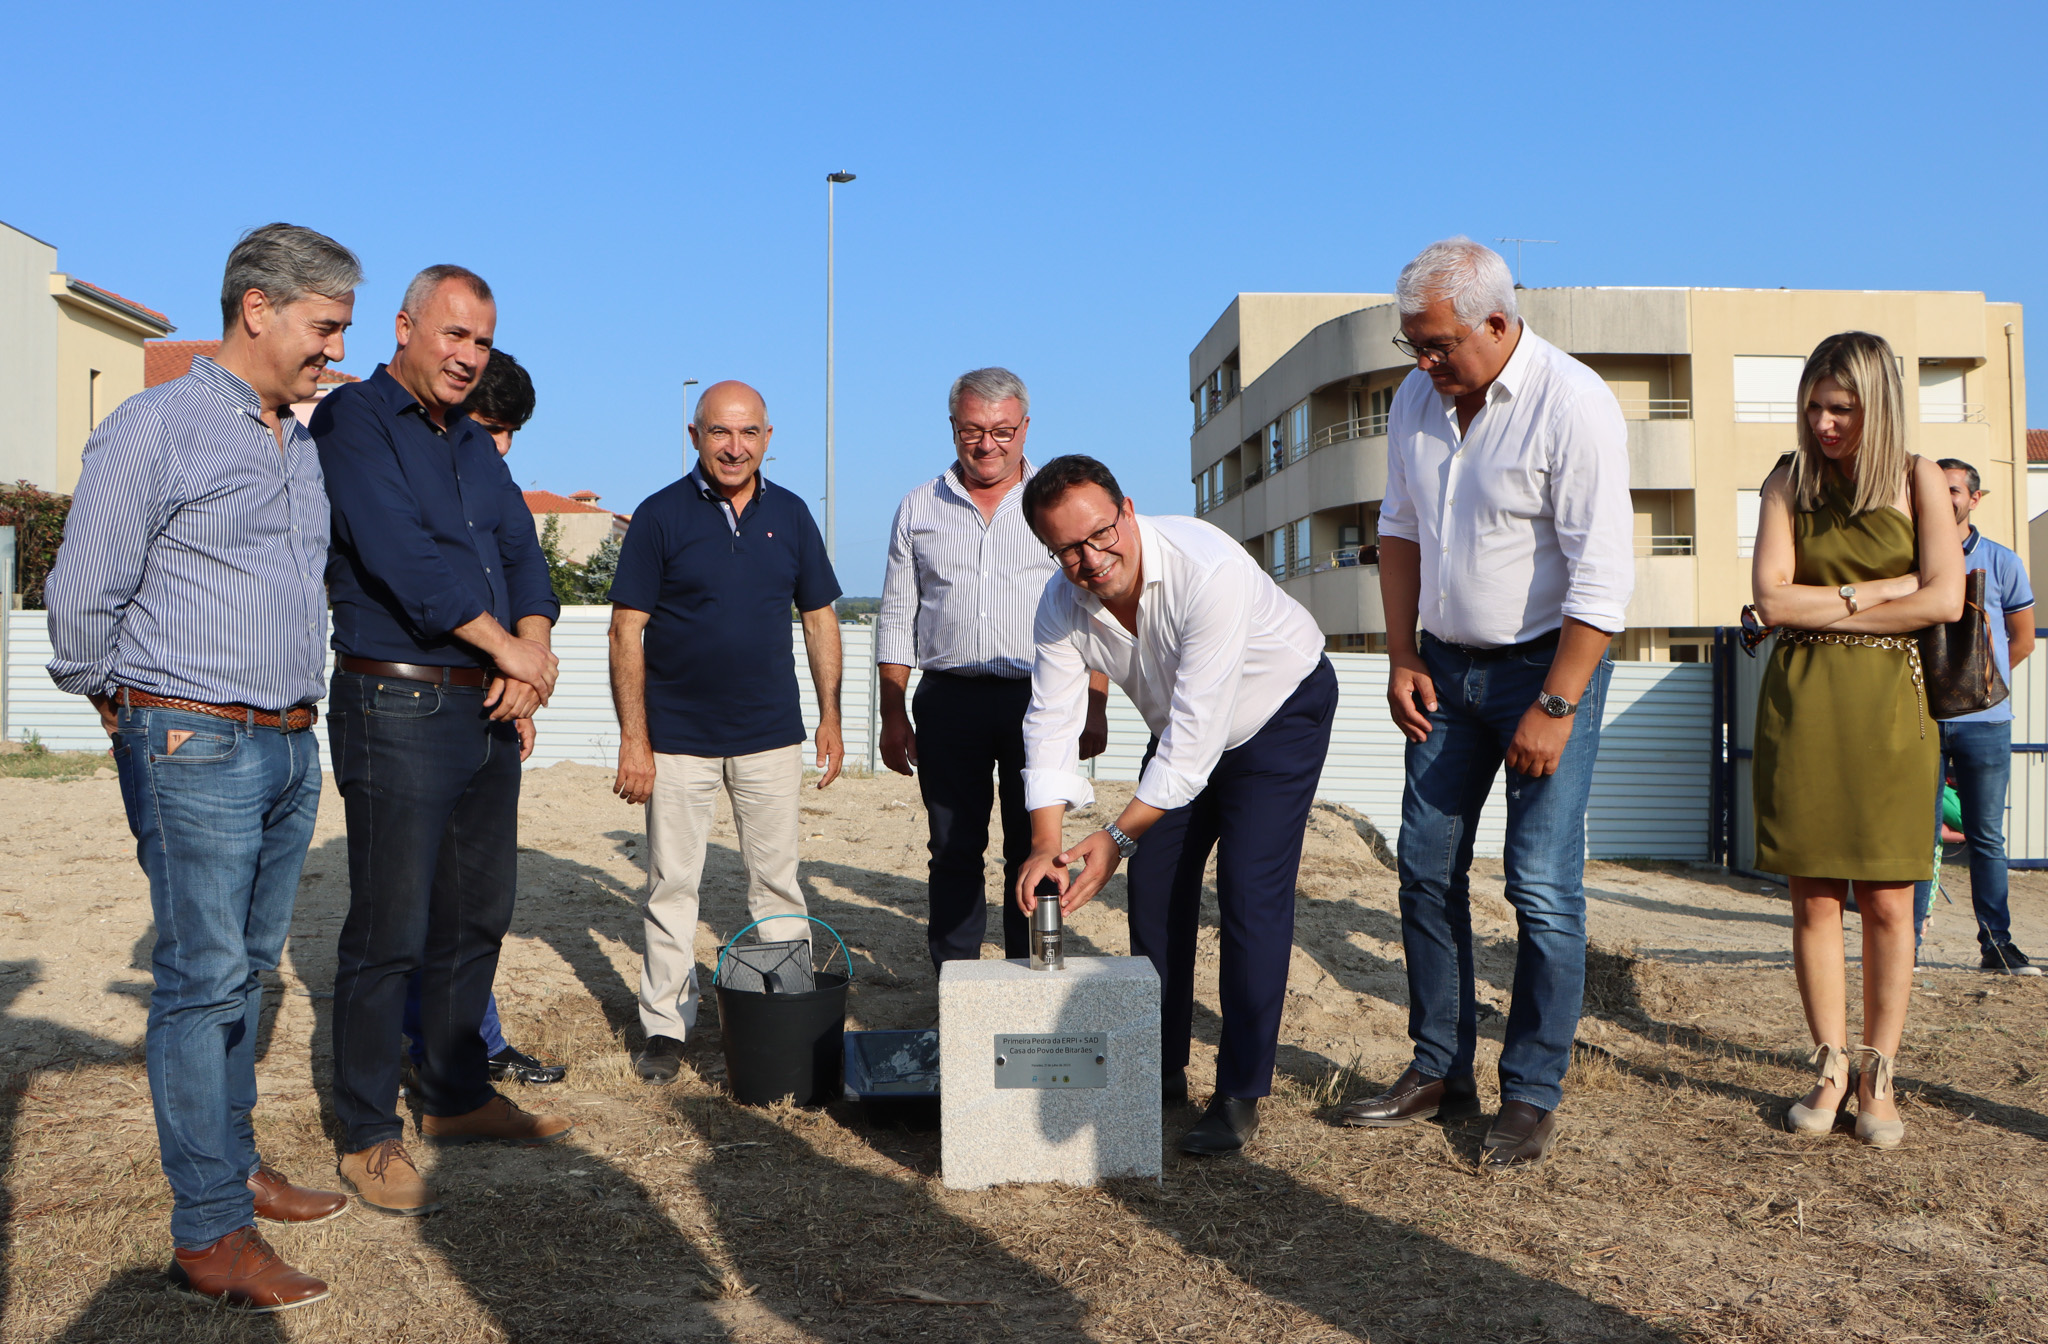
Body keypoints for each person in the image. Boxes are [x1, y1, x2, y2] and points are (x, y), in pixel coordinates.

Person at [44, 223, 361, 1311]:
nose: (332, 350)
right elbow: (81, 599)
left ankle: (237, 1167)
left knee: (246, 971)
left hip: (286, 741)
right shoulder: (156, 428)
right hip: (193, 734)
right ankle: (209, 1231)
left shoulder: (299, 440)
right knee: (199, 983)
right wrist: (129, 713)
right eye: (324, 328)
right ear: (258, 308)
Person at [1337, 238, 1633, 1172]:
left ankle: (1532, 1092)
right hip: (1443, 670)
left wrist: (1555, 703)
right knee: (1425, 867)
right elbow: (1397, 530)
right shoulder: (1416, 400)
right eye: (1412, 346)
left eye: (1438, 346)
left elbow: (1601, 578)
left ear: (1499, 323)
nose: (1423, 365)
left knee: (1541, 887)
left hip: (1547, 669)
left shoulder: (1574, 404)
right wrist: (1398, 653)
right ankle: (1439, 1068)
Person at [314, 264, 574, 1218]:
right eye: (454, 336)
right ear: (406, 327)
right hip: (398, 703)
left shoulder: (475, 444)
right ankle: (366, 1128)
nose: (469, 357)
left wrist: (529, 650)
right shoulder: (353, 424)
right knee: (390, 931)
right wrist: (507, 644)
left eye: (483, 342)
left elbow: (520, 554)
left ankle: (455, 1095)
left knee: (478, 915)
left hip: (489, 706)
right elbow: (401, 559)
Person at [1014, 455, 1338, 1156]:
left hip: (1277, 713)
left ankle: (1239, 1092)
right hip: (1181, 733)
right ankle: (1156, 1065)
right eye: (1067, 549)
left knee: (1251, 893)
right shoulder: (1059, 604)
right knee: (1155, 888)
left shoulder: (1206, 566)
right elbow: (1049, 724)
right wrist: (1046, 842)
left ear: (1127, 510)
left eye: (1100, 534)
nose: (1091, 559)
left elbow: (1196, 746)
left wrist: (1115, 836)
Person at [1749, 330, 1963, 1149]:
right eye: (1814, 405)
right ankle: (1830, 1068)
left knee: (1885, 899)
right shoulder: (1787, 478)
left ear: (1879, 405)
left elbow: (1945, 602)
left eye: (1842, 407)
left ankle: (1880, 1073)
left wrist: (1825, 597)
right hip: (1801, 704)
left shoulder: (1919, 479)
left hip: (1890, 711)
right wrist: (1880, 590)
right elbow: (1769, 600)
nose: (1825, 422)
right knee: (1811, 896)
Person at [608, 380, 844, 1083]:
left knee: (776, 883)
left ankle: (781, 1011)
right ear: (695, 437)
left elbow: (821, 618)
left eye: (748, 433)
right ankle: (666, 1028)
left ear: (767, 438)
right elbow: (627, 629)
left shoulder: (795, 516)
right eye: (719, 433)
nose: (734, 447)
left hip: (771, 734)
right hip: (677, 739)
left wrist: (831, 715)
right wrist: (634, 738)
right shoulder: (658, 517)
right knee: (671, 885)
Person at [877, 367, 1109, 970]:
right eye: (973, 431)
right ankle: (954, 981)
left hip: (1041, 700)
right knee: (953, 848)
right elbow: (898, 618)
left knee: (1035, 847)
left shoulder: (1056, 505)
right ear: (953, 428)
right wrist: (892, 714)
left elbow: (1095, 604)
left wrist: (1097, 703)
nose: (988, 445)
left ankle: (1026, 973)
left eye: (1003, 431)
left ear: (1025, 427)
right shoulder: (917, 508)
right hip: (948, 700)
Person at [392, 347, 566, 1088]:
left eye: (511, 432)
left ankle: (469, 1044)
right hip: (413, 703)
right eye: (493, 426)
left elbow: (526, 573)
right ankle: (434, 1048)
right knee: (418, 898)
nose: (502, 446)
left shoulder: (494, 484)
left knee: (472, 898)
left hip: (488, 700)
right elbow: (426, 587)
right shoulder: (406, 473)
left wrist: (524, 671)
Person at [1910, 458, 2037, 974]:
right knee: (1914, 836)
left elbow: (2022, 640)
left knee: (1986, 836)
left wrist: (1977, 689)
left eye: (1954, 490)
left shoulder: (2003, 562)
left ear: (1973, 499)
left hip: (1986, 722)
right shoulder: (1909, 559)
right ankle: (1907, 946)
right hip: (1919, 720)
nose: (1946, 498)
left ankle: (1996, 944)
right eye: (1936, 490)